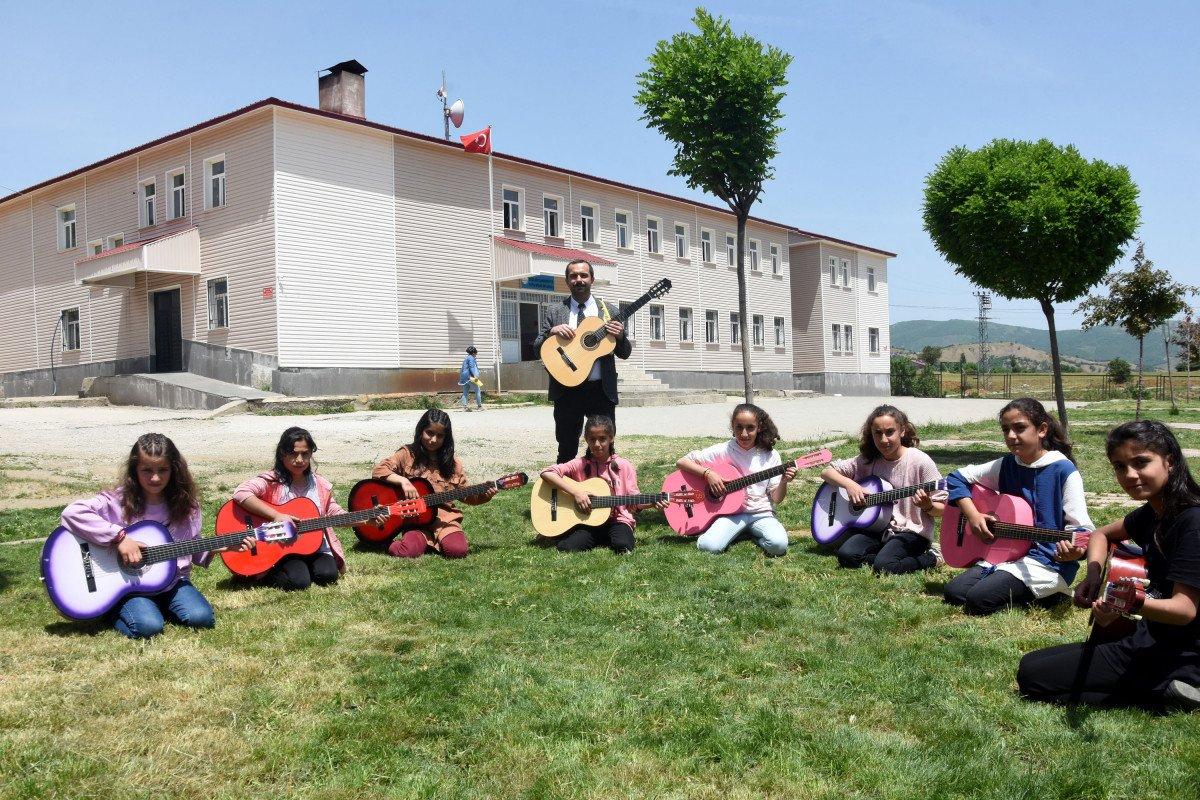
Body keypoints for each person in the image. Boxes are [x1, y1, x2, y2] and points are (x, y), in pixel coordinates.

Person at [1017, 420, 1200, 710]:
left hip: (1179, 652)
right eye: (1120, 466)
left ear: (1170, 461)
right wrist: (1092, 576)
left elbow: (1184, 610)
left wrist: (1126, 603)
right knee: (1031, 663)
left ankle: (1164, 692)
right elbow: (1100, 534)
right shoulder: (1154, 512)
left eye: (1141, 462)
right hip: (1151, 635)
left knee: (1033, 678)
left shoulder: (1192, 522)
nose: (1130, 475)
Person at [59, 432, 251, 639]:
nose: (155, 478)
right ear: (134, 470)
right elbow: (72, 513)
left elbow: (191, 547)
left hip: (173, 582)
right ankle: (114, 609)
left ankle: (156, 606)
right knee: (148, 627)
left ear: (174, 469)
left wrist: (222, 547)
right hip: (131, 587)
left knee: (201, 618)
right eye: (146, 470)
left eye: (163, 470)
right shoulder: (117, 501)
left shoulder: (187, 506)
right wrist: (120, 538)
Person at [942, 397, 1092, 616]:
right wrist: (973, 515)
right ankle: (1025, 591)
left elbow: (1082, 530)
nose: (1011, 436)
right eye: (1006, 430)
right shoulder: (1007, 465)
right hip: (1007, 555)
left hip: (1046, 562)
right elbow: (956, 478)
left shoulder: (1063, 470)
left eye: (1019, 428)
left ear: (1042, 430)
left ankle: (1052, 593)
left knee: (978, 601)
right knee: (954, 592)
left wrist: (1075, 551)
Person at [820, 404, 947, 574]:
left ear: (902, 431)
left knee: (885, 567)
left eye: (889, 432)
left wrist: (928, 506)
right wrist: (850, 485)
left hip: (911, 531)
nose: (883, 440)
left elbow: (943, 508)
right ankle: (885, 556)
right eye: (877, 433)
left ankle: (933, 557)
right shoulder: (869, 459)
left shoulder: (920, 461)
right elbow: (827, 472)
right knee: (846, 556)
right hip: (876, 528)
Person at [231, 426, 358, 591]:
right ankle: (266, 572)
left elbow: (333, 511)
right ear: (282, 453)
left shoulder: (319, 484)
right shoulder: (271, 481)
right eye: (293, 453)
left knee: (328, 575)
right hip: (280, 549)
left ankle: (304, 567)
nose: (300, 460)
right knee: (298, 582)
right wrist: (276, 515)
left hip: (315, 547)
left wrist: (365, 520)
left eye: (305, 454)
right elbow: (241, 493)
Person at [532, 259, 632, 463]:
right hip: (566, 390)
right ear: (567, 281)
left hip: (600, 391)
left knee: (603, 448)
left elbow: (624, 353)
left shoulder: (609, 312)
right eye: (573, 276)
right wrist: (552, 332)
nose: (579, 280)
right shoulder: (555, 311)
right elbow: (537, 348)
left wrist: (621, 336)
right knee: (566, 447)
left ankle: (603, 482)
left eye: (584, 275)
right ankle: (564, 482)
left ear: (592, 279)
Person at [371, 408, 497, 559]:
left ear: (446, 438)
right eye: (429, 433)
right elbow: (379, 470)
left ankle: (436, 540)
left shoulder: (453, 464)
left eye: (440, 436)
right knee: (408, 551)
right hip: (416, 521)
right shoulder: (406, 454)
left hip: (445, 520)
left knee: (457, 551)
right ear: (421, 431)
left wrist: (485, 495)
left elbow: (467, 496)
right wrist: (404, 481)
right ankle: (388, 543)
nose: (433, 440)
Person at [675, 403, 797, 556]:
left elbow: (776, 498)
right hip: (730, 514)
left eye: (750, 428)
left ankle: (747, 534)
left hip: (761, 513)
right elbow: (681, 462)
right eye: (739, 427)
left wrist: (784, 481)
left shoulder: (770, 455)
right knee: (709, 546)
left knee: (778, 546)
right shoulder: (723, 450)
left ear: (759, 428)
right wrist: (708, 474)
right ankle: (735, 531)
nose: (744, 434)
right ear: (732, 426)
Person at [538, 415, 667, 554]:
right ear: (586, 439)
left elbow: (634, 500)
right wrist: (576, 492)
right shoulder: (579, 464)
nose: (597, 444)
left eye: (602, 439)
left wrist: (653, 502)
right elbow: (547, 473)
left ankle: (604, 538)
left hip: (618, 520)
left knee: (623, 546)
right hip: (587, 522)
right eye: (592, 439)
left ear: (611, 438)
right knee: (566, 547)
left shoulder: (624, 466)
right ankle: (596, 537)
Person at [459, 345, 483, 412]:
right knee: (477, 390)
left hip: (464, 378)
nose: (476, 355)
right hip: (470, 377)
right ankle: (479, 406)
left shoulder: (466, 358)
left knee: (465, 392)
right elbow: (472, 367)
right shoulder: (471, 358)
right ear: (473, 353)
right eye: (476, 353)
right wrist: (475, 375)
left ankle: (464, 407)